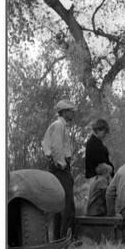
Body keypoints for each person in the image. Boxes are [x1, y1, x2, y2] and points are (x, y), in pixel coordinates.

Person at [41, 100, 76, 238]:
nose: (73, 113)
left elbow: (46, 144)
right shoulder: (59, 125)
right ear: (65, 112)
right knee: (67, 202)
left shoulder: (59, 126)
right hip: (60, 167)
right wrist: (62, 163)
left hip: (59, 166)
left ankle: (58, 237)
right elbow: (55, 146)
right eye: (71, 111)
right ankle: (66, 237)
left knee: (60, 201)